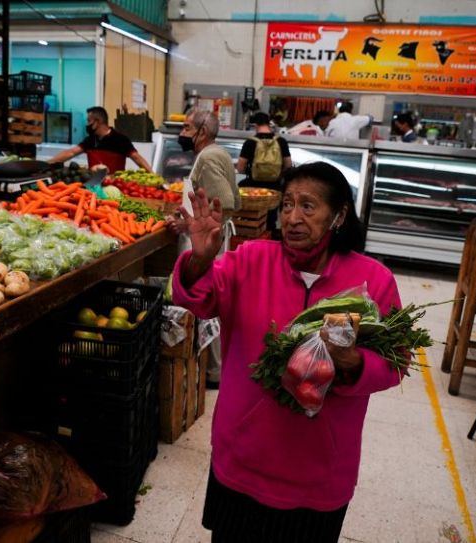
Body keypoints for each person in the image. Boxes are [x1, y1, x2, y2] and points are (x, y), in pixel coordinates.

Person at [171, 162, 406, 542]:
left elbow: (395, 361)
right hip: (243, 458)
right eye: (287, 205)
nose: (293, 218)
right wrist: (200, 258)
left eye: (308, 206)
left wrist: (354, 362)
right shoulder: (251, 259)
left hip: (319, 472)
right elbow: (199, 299)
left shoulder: (374, 281)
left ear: (339, 215)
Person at [169, 109, 239, 389]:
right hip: (211, 237)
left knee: (208, 303)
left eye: (187, 128)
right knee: (209, 302)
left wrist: (190, 226)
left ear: (203, 132)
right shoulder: (213, 153)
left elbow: (226, 202)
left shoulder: (208, 157)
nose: (182, 134)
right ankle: (212, 368)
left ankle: (214, 372)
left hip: (209, 241)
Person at [47, 106, 153, 173]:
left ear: (97, 121)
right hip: (93, 185)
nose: (87, 124)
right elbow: (71, 153)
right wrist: (48, 163)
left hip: (114, 185)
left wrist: (153, 175)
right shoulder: (90, 140)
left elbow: (137, 158)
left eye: (89, 121)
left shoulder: (121, 139)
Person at [236, 112, 292, 188]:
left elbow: (240, 168)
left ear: (255, 125)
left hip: (253, 185)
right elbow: (288, 165)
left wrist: (251, 172)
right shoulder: (281, 141)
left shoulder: (250, 142)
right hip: (275, 186)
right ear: (269, 124)